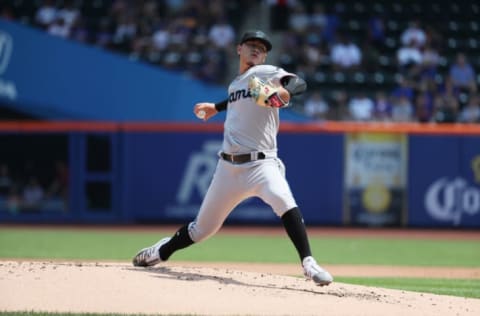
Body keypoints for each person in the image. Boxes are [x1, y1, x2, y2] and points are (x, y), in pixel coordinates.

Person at [132, 30, 333, 286]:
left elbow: (298, 83)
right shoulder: (237, 83)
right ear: (239, 49)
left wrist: (285, 93)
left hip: (262, 164)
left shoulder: (265, 73)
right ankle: (160, 251)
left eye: (261, 47)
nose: (256, 49)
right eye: (251, 45)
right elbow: (237, 98)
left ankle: (309, 263)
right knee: (200, 230)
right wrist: (216, 107)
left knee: (284, 200)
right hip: (228, 168)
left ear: (265, 55)